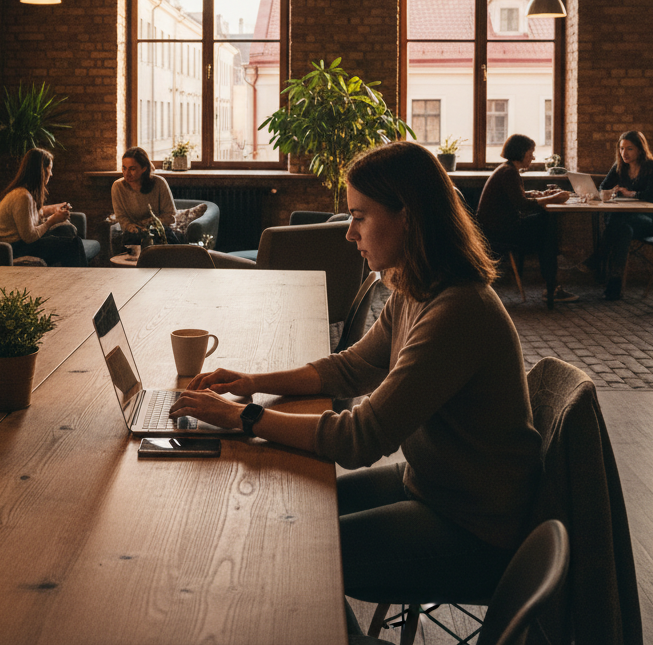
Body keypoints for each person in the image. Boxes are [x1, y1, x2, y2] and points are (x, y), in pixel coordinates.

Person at [169, 141, 543, 617]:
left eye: (360, 216)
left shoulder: (458, 311)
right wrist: (251, 380)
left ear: (407, 215)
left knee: (300, 547)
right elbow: (351, 367)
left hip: (475, 529)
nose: (349, 234)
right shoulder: (418, 287)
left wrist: (244, 416)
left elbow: (359, 438)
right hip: (434, 485)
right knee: (295, 514)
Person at [475, 133, 579, 304]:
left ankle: (552, 284)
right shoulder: (509, 173)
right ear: (521, 153)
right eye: (530, 154)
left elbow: (516, 197)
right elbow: (522, 205)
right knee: (547, 227)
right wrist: (553, 198)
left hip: (495, 229)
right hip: (500, 233)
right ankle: (552, 287)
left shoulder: (506, 169)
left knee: (546, 226)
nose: (532, 157)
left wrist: (539, 194)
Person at [593, 130, 653, 300]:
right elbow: (602, 187)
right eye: (621, 148)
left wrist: (630, 194)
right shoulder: (619, 166)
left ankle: (598, 259)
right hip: (628, 222)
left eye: (629, 149)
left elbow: (652, 197)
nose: (624, 153)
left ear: (640, 149)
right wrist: (609, 191)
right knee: (623, 229)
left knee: (619, 220)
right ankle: (614, 286)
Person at [0, 147, 86, 267]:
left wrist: (54, 209)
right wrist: (53, 220)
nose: (51, 174)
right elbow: (29, 237)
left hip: (20, 243)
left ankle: (67, 277)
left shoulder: (26, 193)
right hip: (14, 248)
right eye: (49, 169)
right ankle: (80, 280)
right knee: (74, 244)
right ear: (41, 171)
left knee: (66, 230)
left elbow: (34, 214)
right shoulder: (22, 196)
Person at [111, 146, 178, 246]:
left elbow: (170, 216)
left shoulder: (159, 183)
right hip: (134, 233)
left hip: (159, 231)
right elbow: (121, 217)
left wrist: (147, 224)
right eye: (124, 168)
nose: (126, 173)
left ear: (144, 168)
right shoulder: (118, 186)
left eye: (132, 169)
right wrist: (131, 227)